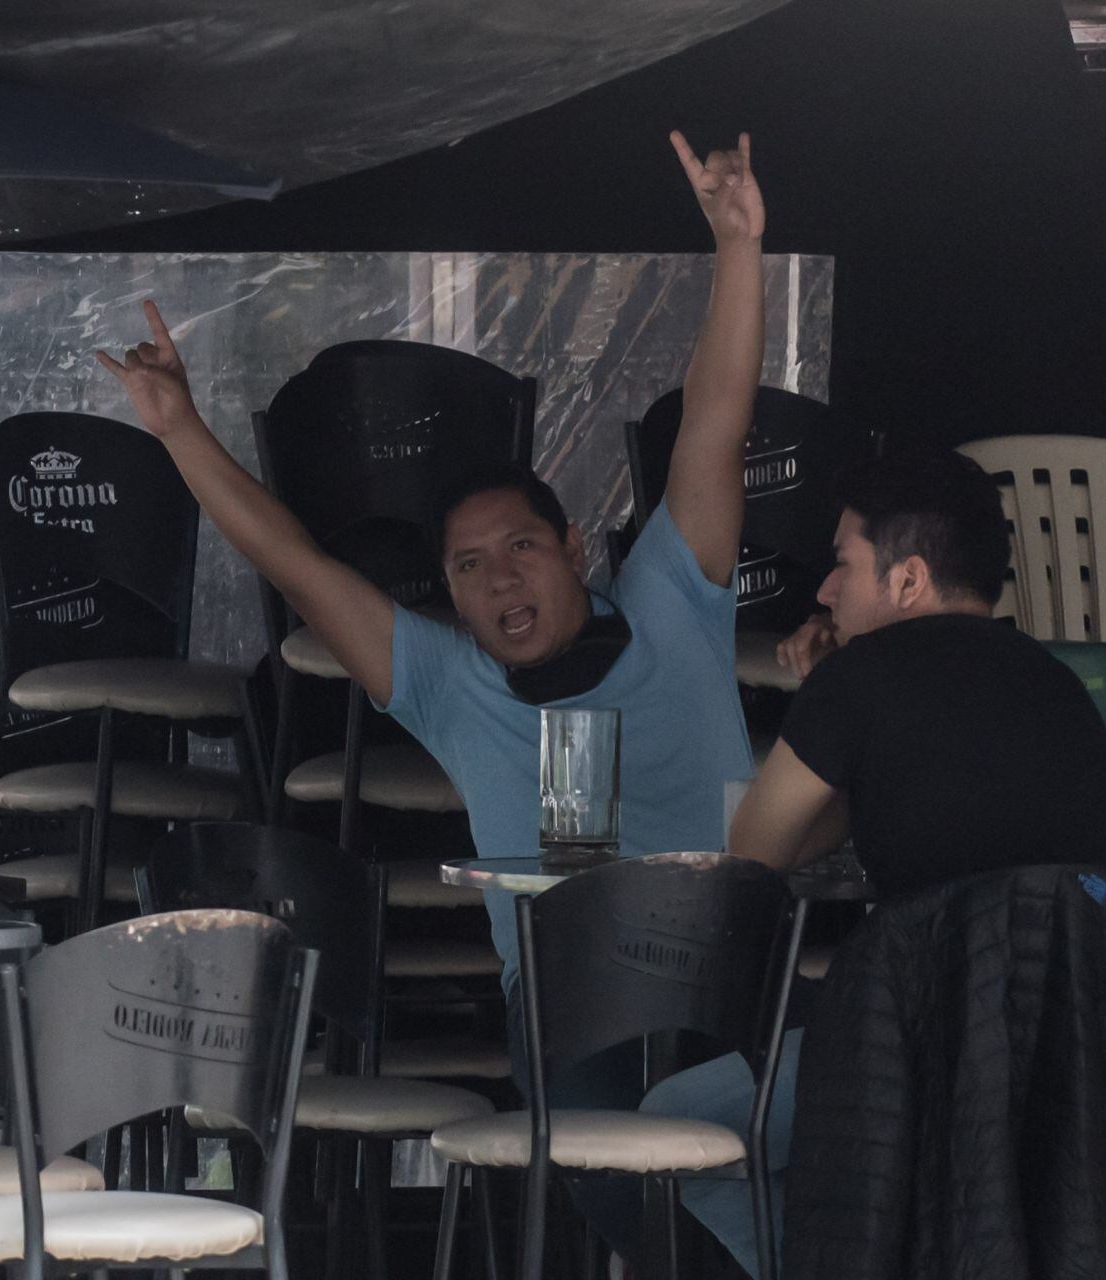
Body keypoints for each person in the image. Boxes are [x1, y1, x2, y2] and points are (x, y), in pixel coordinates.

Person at [98, 131, 767, 1270]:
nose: (501, 580)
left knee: (800, 1140)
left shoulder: (671, 599)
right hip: (574, 1001)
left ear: (572, 545)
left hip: (727, 970)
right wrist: (179, 431)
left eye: (521, 547)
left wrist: (739, 247)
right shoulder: (450, 683)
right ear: (448, 595)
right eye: (469, 567)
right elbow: (295, 561)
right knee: (619, 1172)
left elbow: (714, 419)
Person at [640, 448, 1106, 1276]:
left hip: (931, 1050)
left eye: (842, 564)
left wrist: (824, 699)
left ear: (907, 580)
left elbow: (753, 858)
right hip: (1095, 1056)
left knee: (676, 1123)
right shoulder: (1055, 680)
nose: (823, 592)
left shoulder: (859, 677)